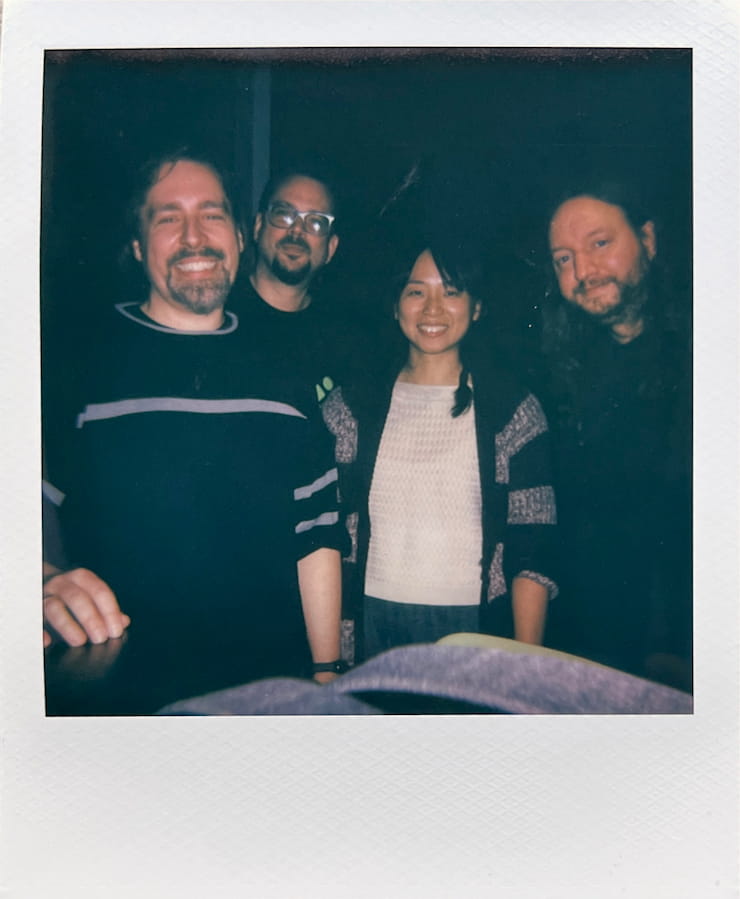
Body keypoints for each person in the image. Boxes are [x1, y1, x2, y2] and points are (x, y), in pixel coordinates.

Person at [41, 151, 345, 701]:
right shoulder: (77, 367)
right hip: (126, 706)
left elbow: (317, 535)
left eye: (211, 215)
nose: (194, 237)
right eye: (168, 218)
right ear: (138, 246)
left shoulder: (286, 373)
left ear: (239, 236)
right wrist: (40, 579)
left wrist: (326, 676)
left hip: (269, 699)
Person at [321, 237, 558, 661]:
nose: (432, 309)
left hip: (473, 626)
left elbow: (533, 544)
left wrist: (525, 667)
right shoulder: (349, 407)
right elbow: (322, 536)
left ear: (477, 307)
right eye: (416, 292)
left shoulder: (513, 410)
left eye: (451, 292)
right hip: (368, 620)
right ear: (395, 305)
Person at [541, 180, 691, 687]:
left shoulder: (708, 350)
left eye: (600, 244)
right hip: (583, 648)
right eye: (563, 259)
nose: (583, 271)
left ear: (648, 239)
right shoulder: (553, 371)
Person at [231, 167, 354, 403]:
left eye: (316, 222)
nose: (297, 230)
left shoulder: (344, 341)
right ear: (258, 226)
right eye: (284, 215)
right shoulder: (216, 316)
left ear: (331, 248)